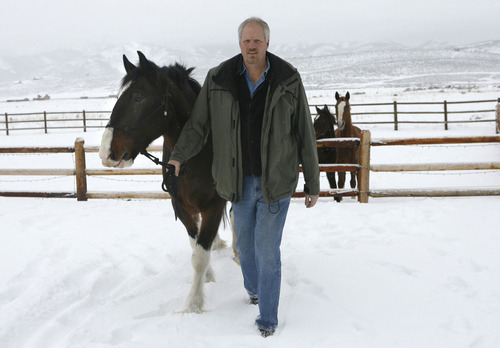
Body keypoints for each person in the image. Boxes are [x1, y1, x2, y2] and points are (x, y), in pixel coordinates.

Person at [168, 17, 320, 337]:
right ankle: (253, 289)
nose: (252, 46)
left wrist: (313, 183)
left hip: (275, 182)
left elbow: (304, 132)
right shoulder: (219, 78)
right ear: (240, 44)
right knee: (246, 249)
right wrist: (179, 155)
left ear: (267, 43)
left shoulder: (288, 79)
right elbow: (198, 125)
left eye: (257, 40)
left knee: (267, 250)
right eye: (246, 41)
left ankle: (267, 317)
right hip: (237, 183)